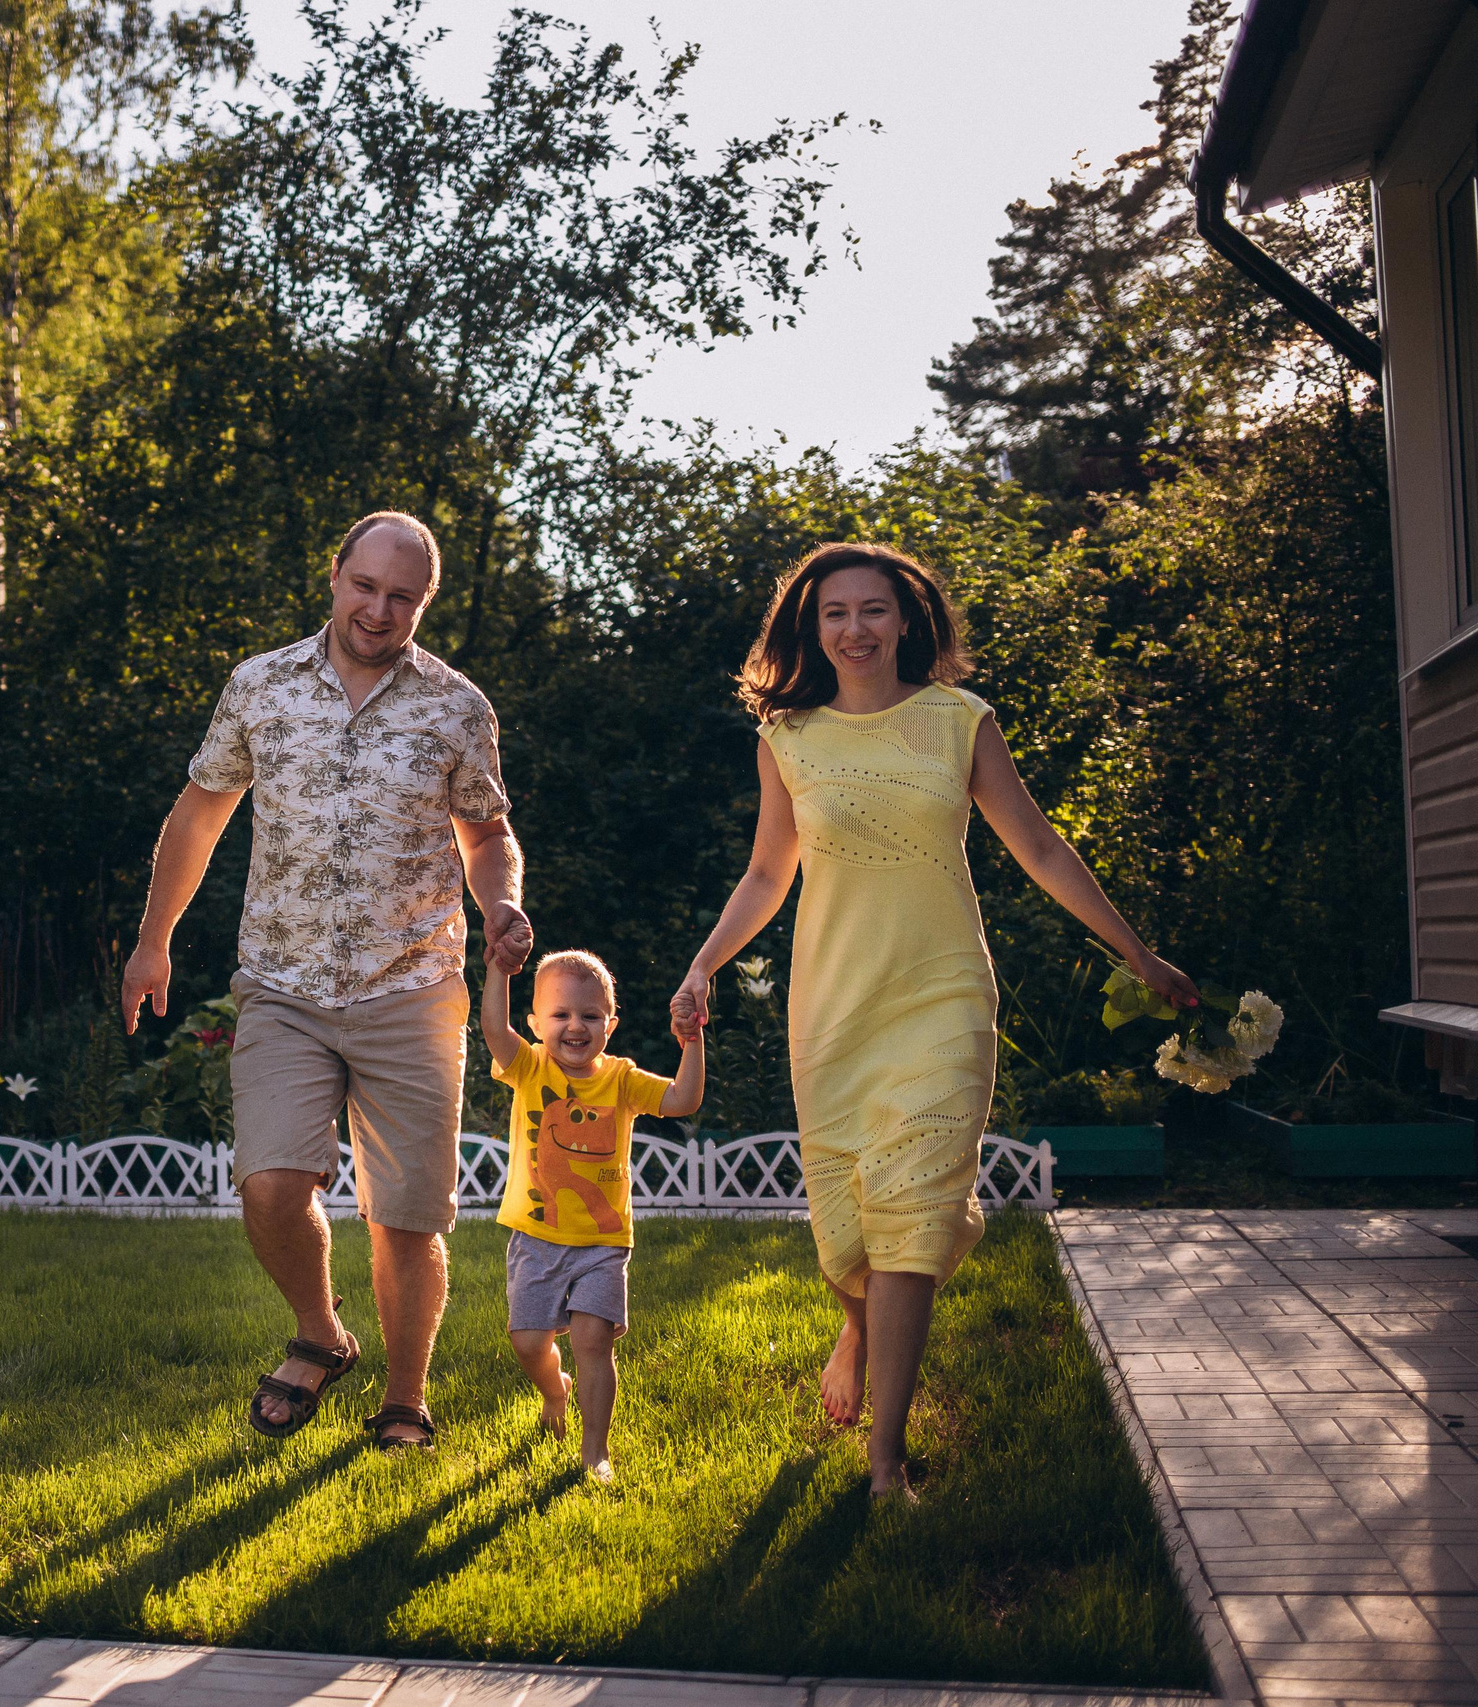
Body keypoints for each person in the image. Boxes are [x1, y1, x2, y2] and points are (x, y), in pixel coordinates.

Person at [670, 542, 1199, 1500]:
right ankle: (861, 1325)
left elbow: (1037, 844)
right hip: (832, 1001)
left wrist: (1137, 951)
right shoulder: (788, 736)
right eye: (835, 613)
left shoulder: (960, 722)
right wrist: (706, 962)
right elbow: (766, 874)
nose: (855, 629)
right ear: (811, 625)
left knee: (910, 1215)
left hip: (942, 993)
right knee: (844, 1227)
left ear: (908, 620)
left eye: (874, 610)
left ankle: (884, 1461)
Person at [121, 510, 533, 1453]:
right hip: (283, 981)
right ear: (335, 573)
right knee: (269, 1185)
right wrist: (155, 942)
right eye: (365, 586)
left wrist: (501, 902)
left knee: (408, 1215)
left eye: (403, 597)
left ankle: (404, 1394)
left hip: (413, 982)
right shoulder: (260, 686)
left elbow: (488, 831)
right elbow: (198, 814)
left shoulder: (456, 706)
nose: (379, 610)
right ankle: (321, 1329)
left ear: (423, 602)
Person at [480, 947, 702, 1484]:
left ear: (610, 1023)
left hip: (603, 1242)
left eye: (590, 1015)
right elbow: (492, 1027)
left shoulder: (621, 1078)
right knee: (529, 1342)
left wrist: (691, 1043)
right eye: (560, 1015)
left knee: (592, 1343)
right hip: (536, 1237)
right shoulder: (529, 1066)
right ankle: (555, 1391)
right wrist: (498, 969)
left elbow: (683, 1101)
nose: (575, 1026)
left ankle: (594, 1450)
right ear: (535, 1023)